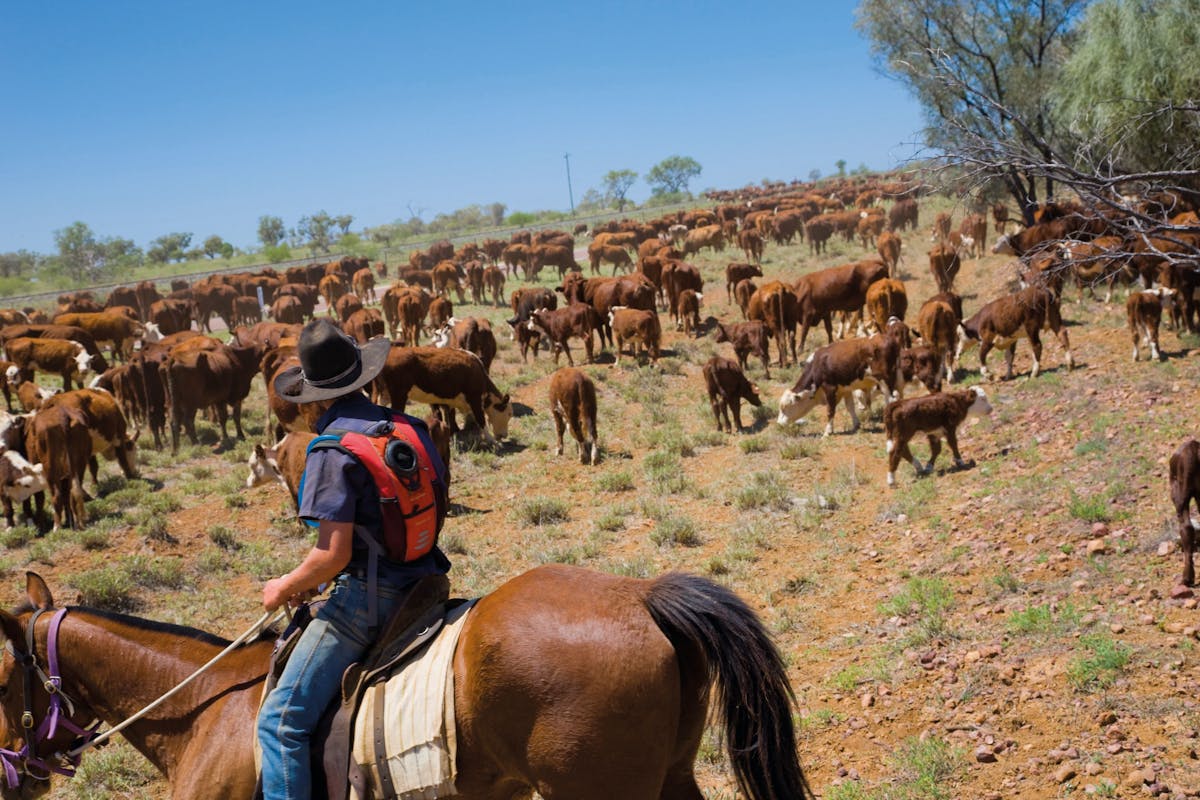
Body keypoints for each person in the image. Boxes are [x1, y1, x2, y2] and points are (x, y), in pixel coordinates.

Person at [257, 319, 450, 800]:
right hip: (426, 581)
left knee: (281, 722)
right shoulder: (410, 428)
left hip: (368, 601)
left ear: (316, 398)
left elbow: (331, 554)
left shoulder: (329, 449)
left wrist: (284, 586)